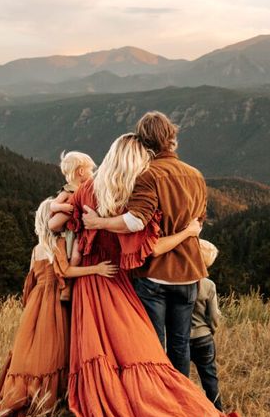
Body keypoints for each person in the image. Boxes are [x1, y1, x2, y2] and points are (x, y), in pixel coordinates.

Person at [49, 134, 242, 417]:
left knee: (103, 355)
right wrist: (187, 234)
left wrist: (72, 270)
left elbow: (67, 237)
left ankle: (108, 413)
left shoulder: (85, 191)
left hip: (90, 288)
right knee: (143, 352)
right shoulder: (130, 197)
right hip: (120, 282)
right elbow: (145, 250)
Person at [81, 111, 207, 378]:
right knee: (180, 344)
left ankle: (158, 397)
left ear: (145, 142)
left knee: (151, 345)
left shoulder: (148, 175)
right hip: (188, 273)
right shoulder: (196, 175)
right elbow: (198, 223)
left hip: (155, 274)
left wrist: (99, 223)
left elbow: (135, 221)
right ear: (172, 138)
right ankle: (183, 399)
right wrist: (185, 233)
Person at [0, 197, 117, 417]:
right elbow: (67, 271)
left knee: (31, 351)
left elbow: (29, 282)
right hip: (52, 302)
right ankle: (48, 403)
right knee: (54, 351)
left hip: (34, 303)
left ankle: (21, 396)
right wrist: (97, 269)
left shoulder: (37, 249)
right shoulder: (57, 245)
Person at [190, 240, 223, 411]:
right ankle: (218, 411)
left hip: (182, 338)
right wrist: (211, 330)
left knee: (182, 378)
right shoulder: (209, 285)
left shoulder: (181, 282)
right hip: (203, 337)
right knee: (210, 378)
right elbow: (214, 315)